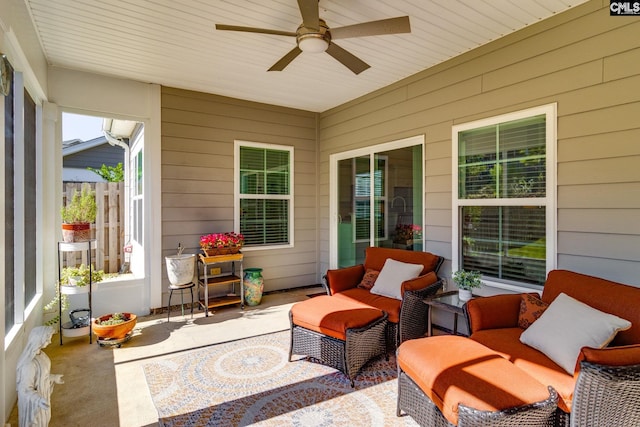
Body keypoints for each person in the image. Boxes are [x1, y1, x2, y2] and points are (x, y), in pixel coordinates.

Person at [16, 326, 64, 427]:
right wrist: (38, 400)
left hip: (43, 396)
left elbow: (42, 377)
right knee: (37, 422)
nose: (50, 341)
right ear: (38, 339)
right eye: (47, 339)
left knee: (44, 420)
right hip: (33, 404)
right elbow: (24, 389)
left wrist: (53, 378)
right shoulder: (28, 364)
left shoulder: (41, 355)